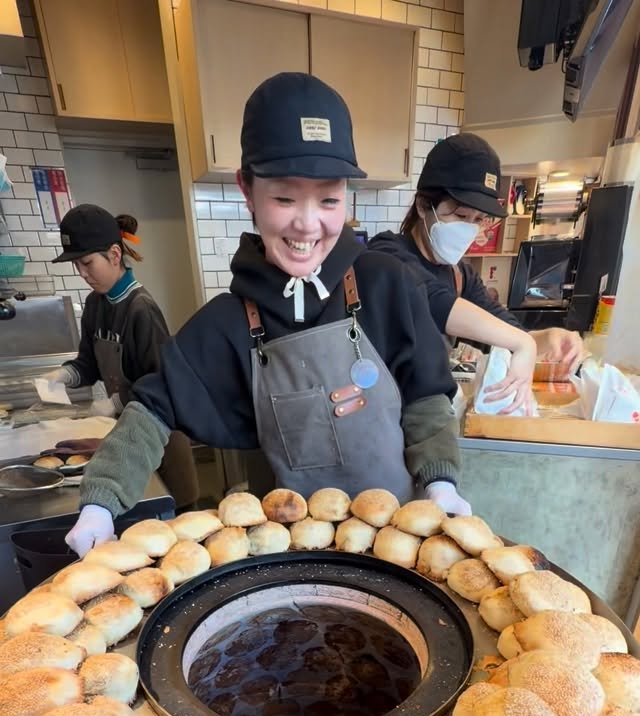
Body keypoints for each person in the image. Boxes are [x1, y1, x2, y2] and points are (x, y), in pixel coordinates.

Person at [66, 73, 473, 557]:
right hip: (287, 559)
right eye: (284, 197)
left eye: (328, 198)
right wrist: (100, 502)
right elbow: (150, 412)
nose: (307, 223)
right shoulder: (227, 322)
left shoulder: (387, 285)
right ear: (247, 190)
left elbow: (426, 400)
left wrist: (441, 484)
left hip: (401, 548)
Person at [370, 133, 584, 408]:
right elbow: (429, 300)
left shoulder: (459, 275)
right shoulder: (385, 254)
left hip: (426, 412)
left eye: (479, 220)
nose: (469, 229)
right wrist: (522, 343)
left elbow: (506, 330)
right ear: (424, 205)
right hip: (381, 416)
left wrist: (547, 338)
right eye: (460, 216)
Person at [48, 204, 199, 511]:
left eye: (88, 263)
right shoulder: (95, 304)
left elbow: (162, 382)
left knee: (174, 517)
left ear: (114, 255)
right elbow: (88, 364)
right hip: (124, 435)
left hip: (161, 438)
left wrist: (115, 402)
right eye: (77, 265)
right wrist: (64, 375)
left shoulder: (140, 309)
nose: (83, 274)